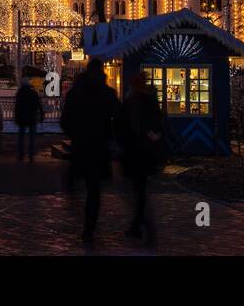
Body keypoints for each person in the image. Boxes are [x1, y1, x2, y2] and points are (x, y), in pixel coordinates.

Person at [60, 59, 120, 244]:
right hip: (99, 147)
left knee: (82, 181)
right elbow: (118, 118)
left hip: (81, 146)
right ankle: (89, 225)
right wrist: (109, 135)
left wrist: (76, 134)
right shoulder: (108, 93)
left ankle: (74, 191)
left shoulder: (75, 93)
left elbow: (65, 122)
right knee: (94, 190)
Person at [120, 70, 165, 244]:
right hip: (146, 153)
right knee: (140, 191)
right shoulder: (150, 102)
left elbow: (123, 128)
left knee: (136, 192)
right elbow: (159, 124)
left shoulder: (130, 102)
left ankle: (141, 224)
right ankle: (139, 224)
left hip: (134, 153)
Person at [13, 76, 44, 161]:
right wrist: (41, 115)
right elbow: (39, 104)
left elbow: (17, 107)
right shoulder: (33, 93)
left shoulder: (20, 93)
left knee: (21, 137)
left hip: (22, 118)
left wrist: (16, 116)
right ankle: (31, 154)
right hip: (32, 117)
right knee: (32, 138)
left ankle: (21, 154)